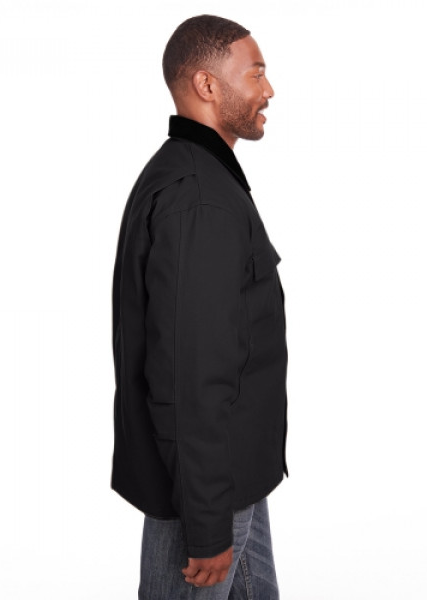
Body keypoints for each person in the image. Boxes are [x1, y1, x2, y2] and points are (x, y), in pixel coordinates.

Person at [110, 14, 289, 598]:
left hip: (233, 480)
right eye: (255, 73)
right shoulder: (200, 200)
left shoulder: (202, 179)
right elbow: (190, 375)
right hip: (205, 495)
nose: (269, 89)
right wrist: (207, 524)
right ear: (208, 85)